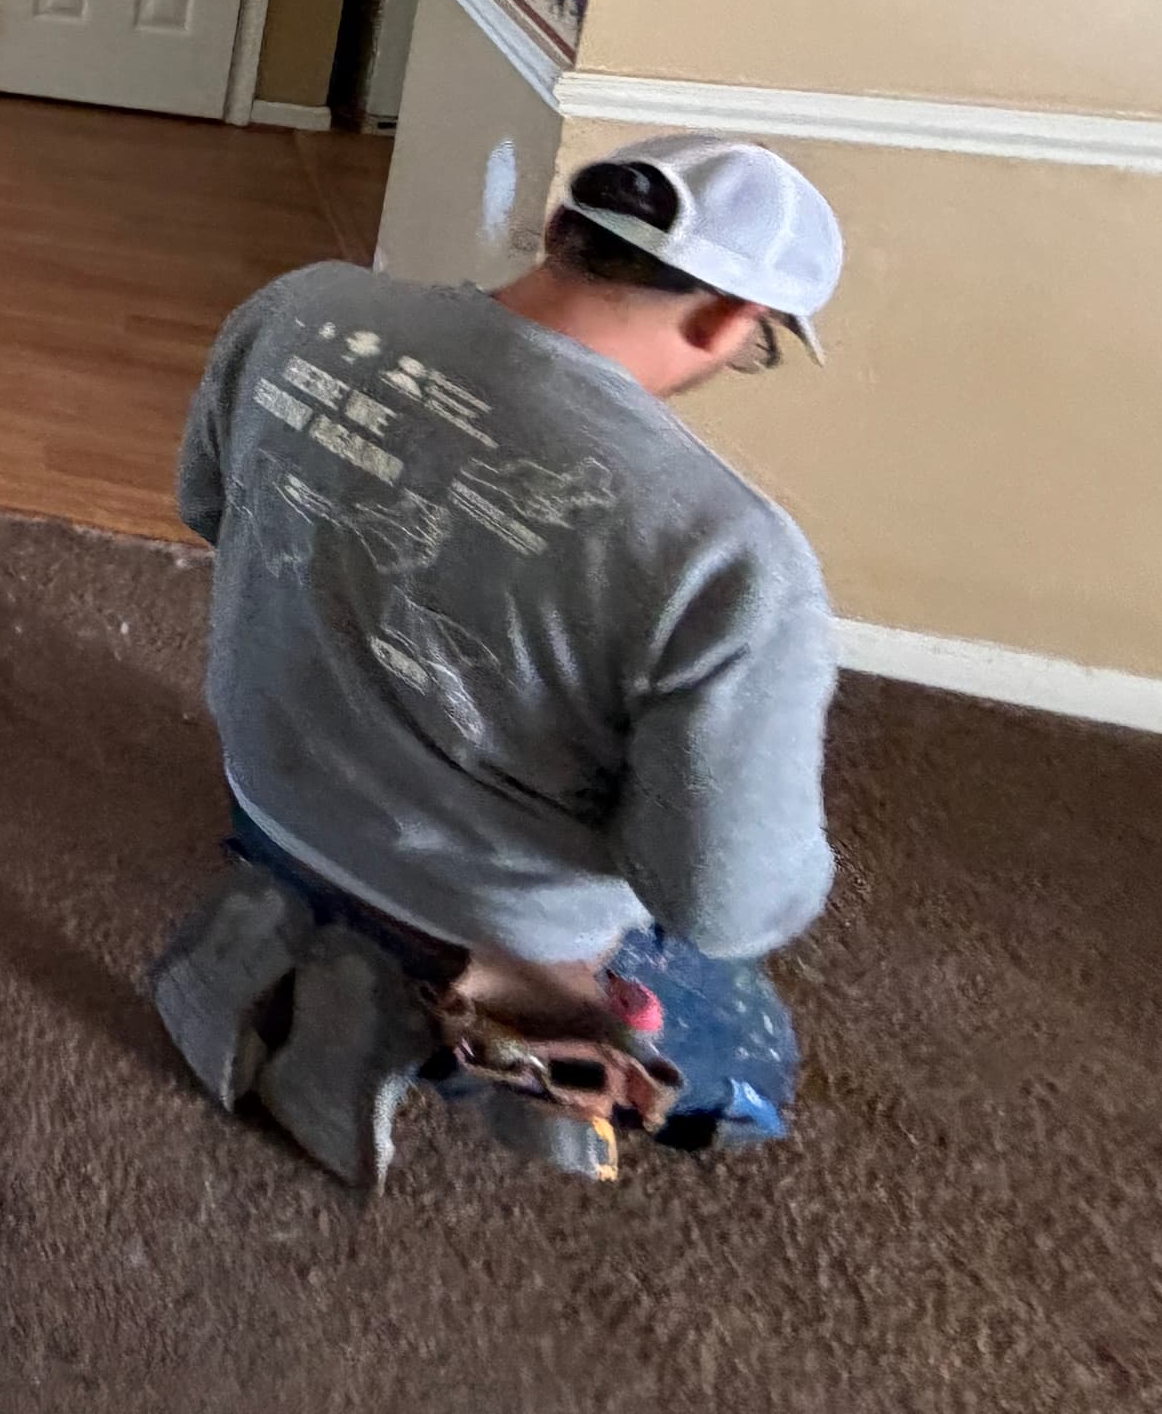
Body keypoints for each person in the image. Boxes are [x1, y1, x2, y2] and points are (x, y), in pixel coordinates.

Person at [153, 135, 845, 1187]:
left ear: (563, 234)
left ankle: (303, 922)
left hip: (271, 790)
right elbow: (724, 900)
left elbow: (207, 508)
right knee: (746, 1055)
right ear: (724, 322)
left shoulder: (302, 309)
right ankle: (486, 1015)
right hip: (488, 911)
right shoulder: (729, 555)